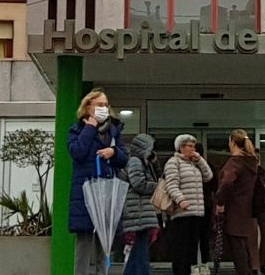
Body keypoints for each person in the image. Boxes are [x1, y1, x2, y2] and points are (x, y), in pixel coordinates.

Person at [66, 89, 127, 275]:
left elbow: (124, 158)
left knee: (105, 240)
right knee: (84, 241)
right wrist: (89, 128)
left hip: (106, 191)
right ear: (88, 107)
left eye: (106, 105)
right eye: (99, 105)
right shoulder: (76, 130)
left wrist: (113, 152)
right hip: (85, 192)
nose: (104, 108)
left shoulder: (113, 131)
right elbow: (77, 152)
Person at [214, 129, 265, 275]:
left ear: (232, 142)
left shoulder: (235, 162)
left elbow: (227, 182)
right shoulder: (251, 163)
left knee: (238, 251)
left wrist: (220, 202)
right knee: (247, 248)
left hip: (233, 211)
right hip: (248, 211)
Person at [162, 133, 214, 275]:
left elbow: (208, 176)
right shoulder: (173, 162)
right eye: (190, 146)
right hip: (182, 212)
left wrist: (200, 160)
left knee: (192, 247)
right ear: (181, 147)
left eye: (193, 146)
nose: (193, 149)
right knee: (181, 248)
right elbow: (171, 184)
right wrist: (181, 199)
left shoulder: (194, 163)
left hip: (196, 211)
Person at [120, 133, 162, 275]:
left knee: (139, 248)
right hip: (138, 210)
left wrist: (154, 163)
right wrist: (157, 187)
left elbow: (158, 176)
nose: (152, 150)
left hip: (140, 211)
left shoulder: (143, 162)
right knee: (141, 247)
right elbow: (138, 183)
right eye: (150, 147)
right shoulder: (135, 162)